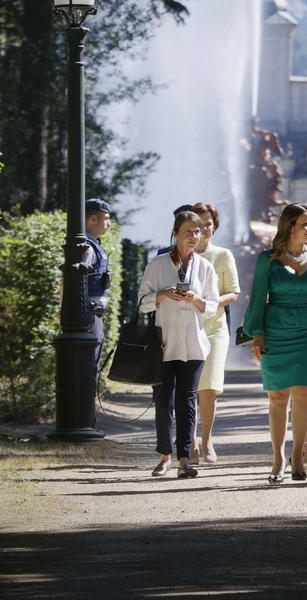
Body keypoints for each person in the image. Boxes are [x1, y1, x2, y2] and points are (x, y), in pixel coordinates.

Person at [244, 203, 307, 483]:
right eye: (305, 223)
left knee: (304, 392)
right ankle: (277, 457)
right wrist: (256, 333)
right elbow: (258, 298)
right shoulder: (267, 259)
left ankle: (297, 455)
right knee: (277, 396)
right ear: (290, 226)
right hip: (275, 331)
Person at [137, 210, 221, 479]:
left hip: (194, 345)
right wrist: (163, 295)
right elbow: (141, 303)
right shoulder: (158, 264)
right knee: (163, 401)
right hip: (164, 344)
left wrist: (195, 299)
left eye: (197, 232)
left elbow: (211, 306)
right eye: (188, 231)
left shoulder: (205, 267)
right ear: (175, 234)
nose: (194, 237)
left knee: (187, 402)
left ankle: (185, 459)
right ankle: (164, 456)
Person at [190, 202, 240, 466]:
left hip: (215, 329)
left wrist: (209, 303)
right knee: (189, 387)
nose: (205, 228)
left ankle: (206, 438)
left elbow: (233, 291)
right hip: (186, 328)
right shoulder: (179, 255)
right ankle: (191, 440)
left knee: (208, 388)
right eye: (199, 223)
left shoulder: (222, 255)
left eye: (208, 223)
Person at [83, 198, 113, 379]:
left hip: (93, 313)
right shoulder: (87, 246)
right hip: (88, 313)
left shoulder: (94, 244)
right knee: (88, 365)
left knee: (91, 364)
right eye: (106, 218)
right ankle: (84, 406)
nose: (108, 223)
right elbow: (70, 280)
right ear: (93, 219)